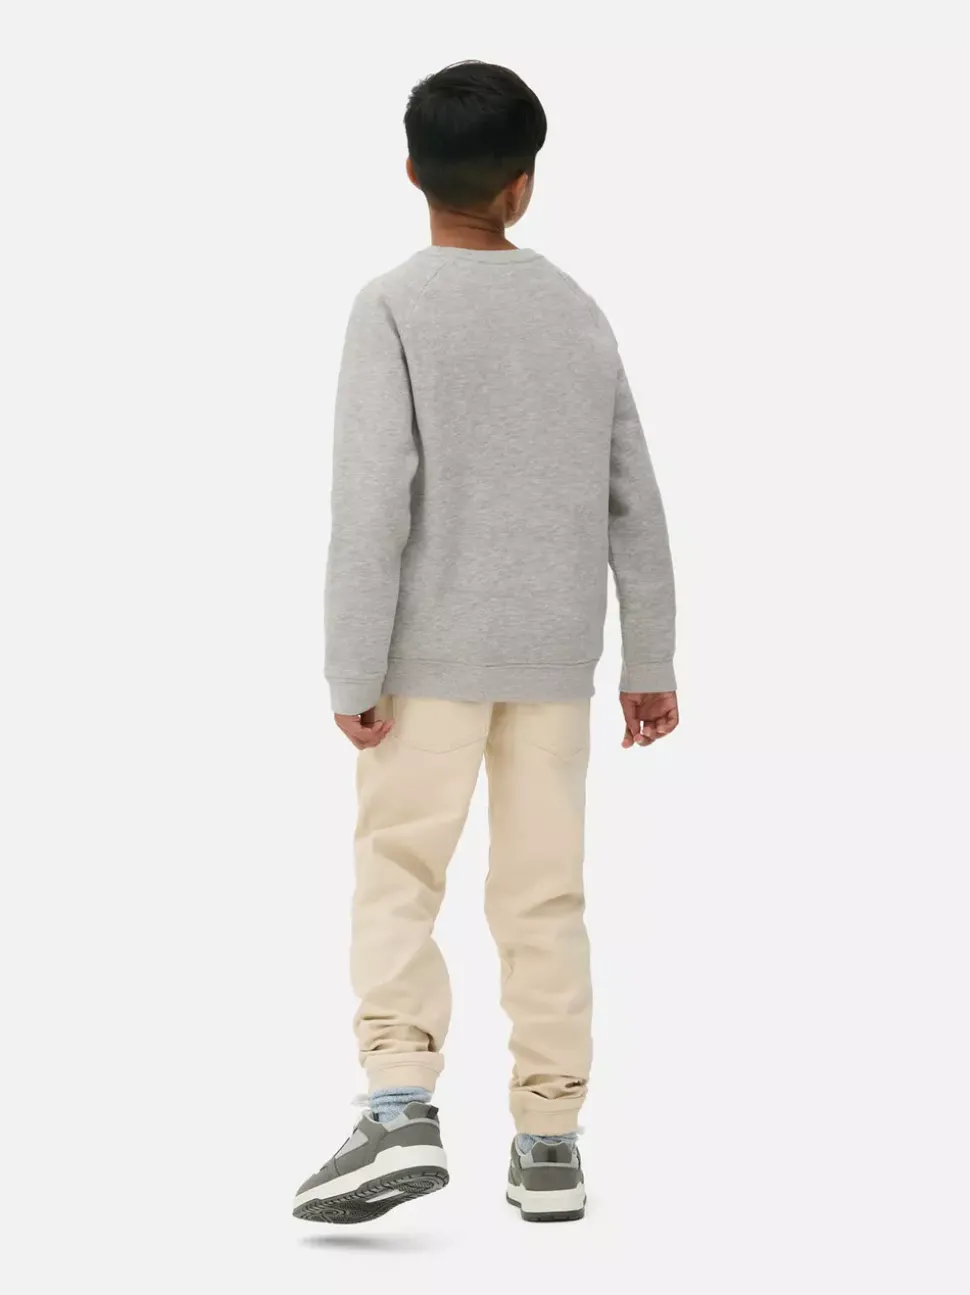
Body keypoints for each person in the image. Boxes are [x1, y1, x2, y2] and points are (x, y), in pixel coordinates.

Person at [293, 60, 677, 1226]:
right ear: (524, 184)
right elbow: (633, 497)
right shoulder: (576, 308)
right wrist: (649, 659)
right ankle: (549, 1140)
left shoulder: (392, 305)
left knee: (398, 874)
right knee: (544, 891)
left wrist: (352, 667)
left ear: (411, 170)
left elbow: (372, 503)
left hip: (425, 666)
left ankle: (399, 1104)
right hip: (555, 665)